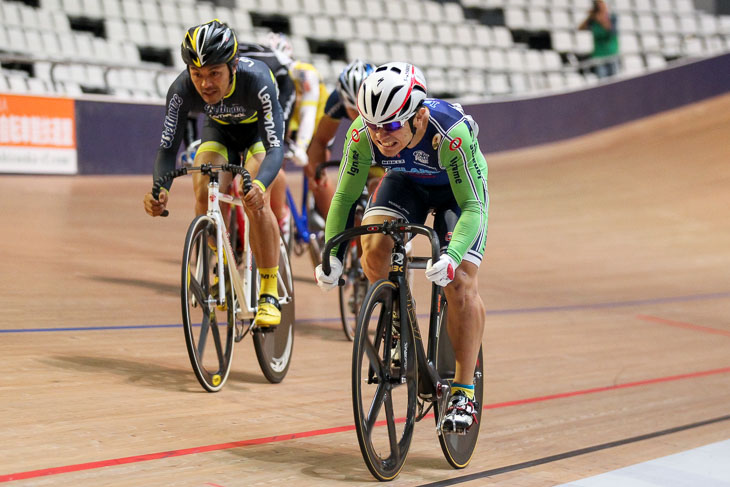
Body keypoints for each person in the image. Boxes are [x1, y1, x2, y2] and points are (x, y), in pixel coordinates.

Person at [314, 62, 489, 433]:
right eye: (373, 125)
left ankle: (463, 389)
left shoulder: (452, 134)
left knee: (459, 283)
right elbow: (344, 198)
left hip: (456, 196)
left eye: (391, 125)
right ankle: (397, 322)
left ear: (419, 117)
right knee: (373, 246)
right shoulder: (363, 134)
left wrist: (454, 254)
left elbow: (473, 206)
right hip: (405, 183)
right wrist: (331, 255)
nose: (381, 136)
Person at [142, 19, 286, 327]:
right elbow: (168, 149)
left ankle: (269, 292)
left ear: (232, 66)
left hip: (257, 137)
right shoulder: (181, 89)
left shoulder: (258, 79)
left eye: (214, 74)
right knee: (202, 181)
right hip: (219, 134)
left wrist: (260, 185)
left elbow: (275, 149)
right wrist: (159, 189)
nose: (205, 83)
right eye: (197, 74)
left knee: (255, 198)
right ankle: (222, 258)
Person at [262, 32, 329, 242]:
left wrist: (301, 147)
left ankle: (337, 231)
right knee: (271, 161)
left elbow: (308, 114)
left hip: (317, 121)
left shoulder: (304, 73)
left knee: (314, 170)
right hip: (290, 118)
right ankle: (279, 213)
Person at [304, 59, 376, 218]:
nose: (361, 116)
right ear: (344, 102)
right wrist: (317, 172)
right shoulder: (336, 101)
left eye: (365, 109)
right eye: (354, 111)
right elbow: (320, 140)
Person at [579, 0, 619, 78]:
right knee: (602, 82)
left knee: (615, 82)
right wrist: (590, 16)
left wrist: (601, 17)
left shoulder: (612, 17)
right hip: (599, 56)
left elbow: (611, 31)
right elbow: (580, 28)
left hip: (612, 54)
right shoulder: (593, 20)